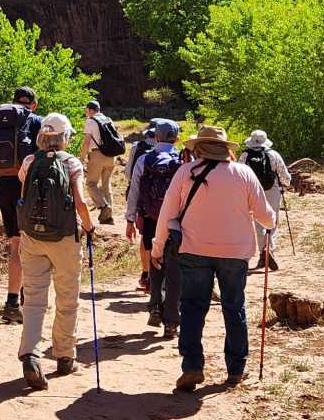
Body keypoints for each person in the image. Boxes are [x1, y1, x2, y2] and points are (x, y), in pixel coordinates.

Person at [150, 126, 276, 392]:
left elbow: (167, 213)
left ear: (199, 148)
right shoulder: (243, 173)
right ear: (224, 148)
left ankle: (192, 366)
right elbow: (265, 217)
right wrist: (271, 221)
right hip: (235, 252)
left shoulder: (185, 172)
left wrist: (157, 247)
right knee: (234, 307)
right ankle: (236, 369)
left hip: (193, 249)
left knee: (193, 307)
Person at [14, 112, 96, 390]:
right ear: (65, 137)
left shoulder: (29, 161)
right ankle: (64, 356)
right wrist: (89, 226)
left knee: (33, 300)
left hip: (32, 237)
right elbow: (81, 202)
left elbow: (23, 197)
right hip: (64, 238)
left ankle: (30, 355)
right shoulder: (71, 163)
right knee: (67, 298)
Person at [0, 86, 42, 324]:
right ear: (33, 105)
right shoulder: (37, 121)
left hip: (3, 185)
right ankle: (23, 299)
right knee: (31, 243)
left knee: (15, 243)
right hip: (26, 186)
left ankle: (13, 301)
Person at [124, 123, 183, 335]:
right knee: (175, 269)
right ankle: (172, 321)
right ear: (176, 139)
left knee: (155, 261)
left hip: (151, 218)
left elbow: (134, 190)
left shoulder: (144, 159)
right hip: (176, 221)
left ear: (155, 138)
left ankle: (155, 306)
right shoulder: (184, 161)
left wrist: (130, 219)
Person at [242, 130, 291, 270]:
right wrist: (285, 185)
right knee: (272, 221)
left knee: (259, 223)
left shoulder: (245, 155)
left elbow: (240, 174)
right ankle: (269, 249)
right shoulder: (273, 154)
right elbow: (284, 176)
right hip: (272, 190)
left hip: (252, 191)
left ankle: (262, 253)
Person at [80, 101, 123, 225]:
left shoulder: (91, 121)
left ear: (90, 110)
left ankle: (104, 206)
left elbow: (86, 142)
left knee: (91, 184)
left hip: (97, 155)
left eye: (86, 110)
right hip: (111, 156)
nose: (86, 112)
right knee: (106, 184)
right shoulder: (108, 119)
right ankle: (108, 217)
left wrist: (82, 158)